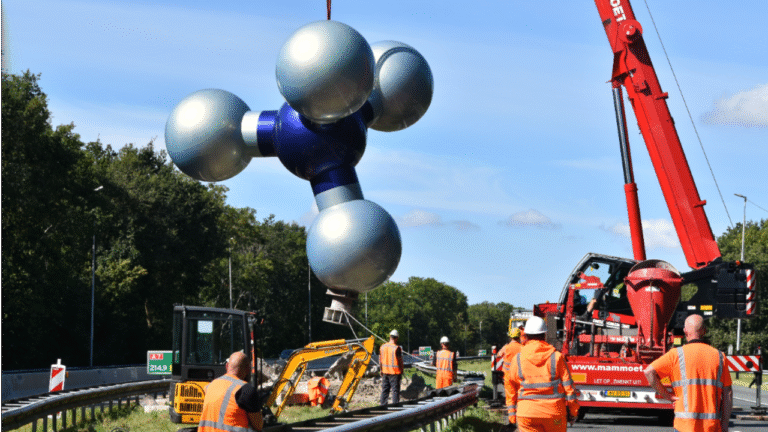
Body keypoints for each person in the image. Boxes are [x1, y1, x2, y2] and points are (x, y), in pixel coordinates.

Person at [644, 314, 733, 432]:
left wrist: (668, 396)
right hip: (711, 427)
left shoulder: (676, 354)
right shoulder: (720, 357)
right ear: (704, 331)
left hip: (684, 426)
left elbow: (649, 372)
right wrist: (725, 425)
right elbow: (728, 393)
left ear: (685, 331)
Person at [507, 316, 579, 432]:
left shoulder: (518, 359)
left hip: (527, 415)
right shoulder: (556, 357)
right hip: (554, 414)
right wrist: (573, 411)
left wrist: (512, 415)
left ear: (525, 335)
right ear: (544, 335)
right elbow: (569, 388)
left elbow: (510, 387)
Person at [199, 351, 263, 432]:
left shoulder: (210, 386)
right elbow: (258, 426)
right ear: (247, 369)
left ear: (226, 366)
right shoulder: (246, 390)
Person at [501, 324, 525, 426]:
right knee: (520, 397)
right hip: (520, 376)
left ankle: (512, 421)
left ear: (510, 336)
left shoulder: (507, 347)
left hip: (508, 376)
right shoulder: (523, 348)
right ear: (519, 336)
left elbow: (498, 355)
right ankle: (521, 420)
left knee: (511, 399)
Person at [380, 329, 404, 405]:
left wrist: (381, 370)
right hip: (395, 373)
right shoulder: (396, 348)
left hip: (385, 372)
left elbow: (380, 360)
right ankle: (395, 407)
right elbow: (400, 362)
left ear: (390, 337)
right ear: (396, 338)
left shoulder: (382, 347)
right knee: (395, 391)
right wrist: (402, 370)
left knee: (385, 390)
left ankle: (383, 406)